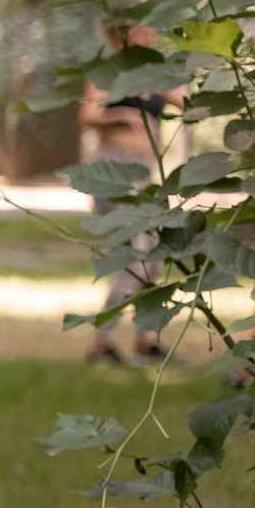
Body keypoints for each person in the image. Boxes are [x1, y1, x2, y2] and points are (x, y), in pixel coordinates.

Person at [80, 25, 176, 365]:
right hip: (114, 173)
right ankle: (100, 343)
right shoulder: (107, 72)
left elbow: (187, 101)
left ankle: (145, 340)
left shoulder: (154, 74)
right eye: (140, 32)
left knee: (153, 260)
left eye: (152, 32)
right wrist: (119, 117)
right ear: (119, 35)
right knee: (131, 257)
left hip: (147, 174)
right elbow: (87, 117)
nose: (149, 38)